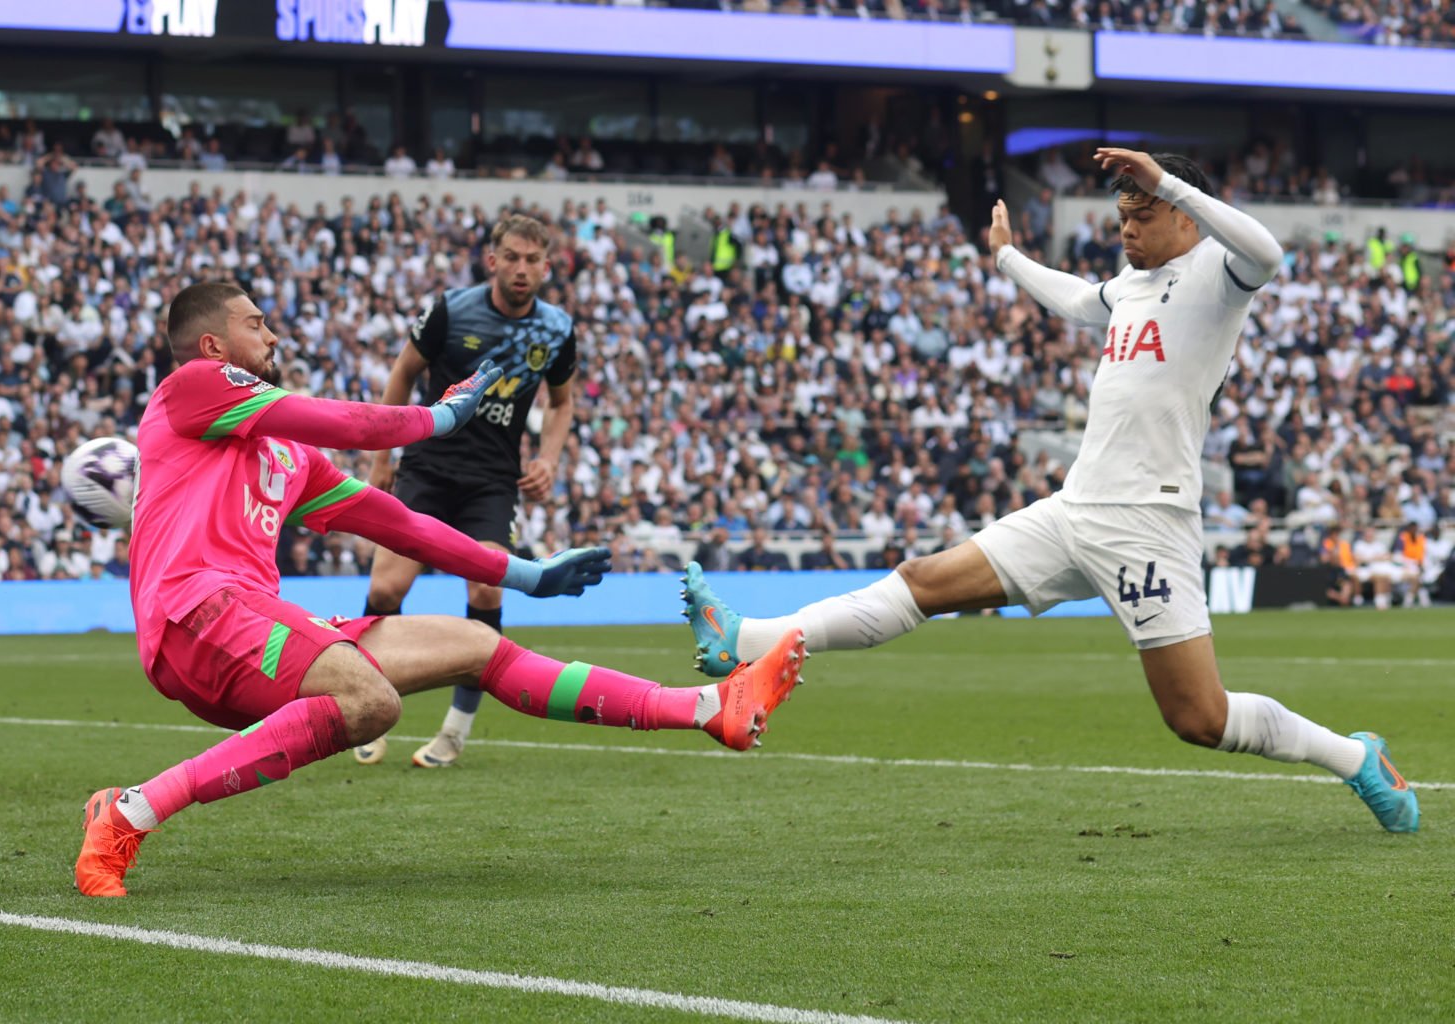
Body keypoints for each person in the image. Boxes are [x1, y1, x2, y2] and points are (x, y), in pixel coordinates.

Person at [678, 149, 1418, 834]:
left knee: (1199, 717)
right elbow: (1074, 301)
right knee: (923, 581)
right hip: (1075, 509)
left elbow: (1270, 251)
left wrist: (1168, 180)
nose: (1127, 230)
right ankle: (741, 639)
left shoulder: (1220, 277)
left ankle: (1356, 759)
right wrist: (1007, 259)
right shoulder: (1130, 286)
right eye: (1122, 218)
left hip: (1146, 522)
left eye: (1142, 215)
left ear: (1182, 213)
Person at [74, 283, 806, 898]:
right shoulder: (191, 390)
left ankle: (711, 707)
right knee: (372, 703)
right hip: (196, 612)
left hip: (244, 629)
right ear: (212, 346)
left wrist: (525, 574)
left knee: (475, 644)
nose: (270, 332)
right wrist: (439, 417)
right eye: (253, 322)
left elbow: (401, 524)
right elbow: (340, 419)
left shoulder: (288, 460)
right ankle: (129, 815)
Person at [355, 215, 579, 769]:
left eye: (533, 260)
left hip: (492, 480)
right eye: (512, 256)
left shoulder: (556, 330)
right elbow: (403, 374)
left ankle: (454, 734)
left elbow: (563, 401)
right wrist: (381, 458)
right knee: (386, 588)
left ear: (547, 268)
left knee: (486, 593)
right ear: (493, 260)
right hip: (427, 466)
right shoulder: (450, 310)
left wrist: (548, 458)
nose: (522, 268)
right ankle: (361, 707)